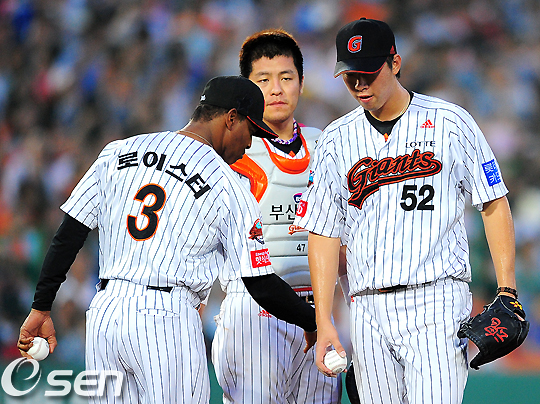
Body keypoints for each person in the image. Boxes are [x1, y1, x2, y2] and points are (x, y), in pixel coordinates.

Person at [17, 75, 319, 404]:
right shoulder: (227, 182)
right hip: (166, 318)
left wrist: (41, 306)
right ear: (231, 118)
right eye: (250, 131)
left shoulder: (119, 151)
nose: (249, 144)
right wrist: (312, 320)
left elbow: (68, 235)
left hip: (105, 315)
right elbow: (260, 283)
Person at [294, 18, 524, 404]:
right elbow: (323, 231)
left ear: (395, 63)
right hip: (366, 307)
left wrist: (507, 289)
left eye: (369, 72)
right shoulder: (335, 138)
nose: (360, 84)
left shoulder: (450, 122)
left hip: (436, 300)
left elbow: (493, 202)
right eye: (350, 76)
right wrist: (323, 319)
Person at [211, 30, 341, 404]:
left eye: (286, 77)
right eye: (263, 80)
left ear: (302, 81)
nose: (276, 89)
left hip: (318, 311)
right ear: (246, 87)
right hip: (256, 311)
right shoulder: (229, 151)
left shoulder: (327, 143)